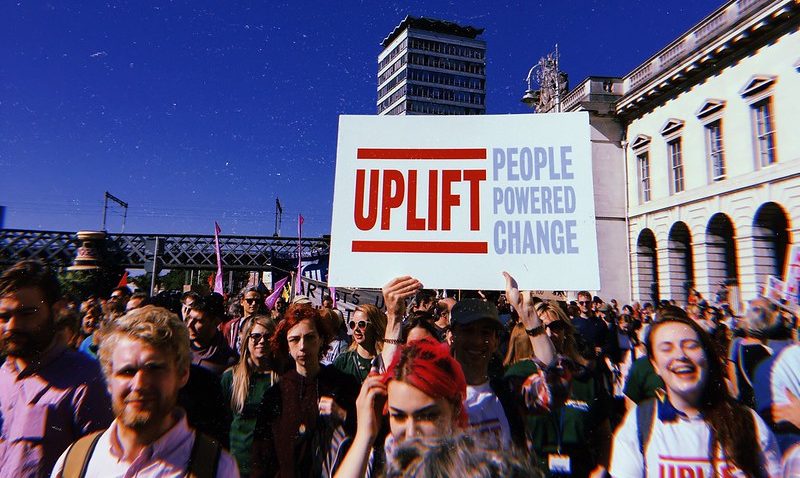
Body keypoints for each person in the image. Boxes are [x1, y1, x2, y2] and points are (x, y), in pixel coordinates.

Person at [51, 305, 239, 477]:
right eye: (127, 371)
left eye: (155, 369)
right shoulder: (75, 461)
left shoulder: (216, 468)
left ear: (182, 374)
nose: (139, 383)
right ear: (109, 380)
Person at [609, 312, 781, 478]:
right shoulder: (639, 423)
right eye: (666, 348)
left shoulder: (748, 421)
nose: (680, 355)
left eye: (690, 345)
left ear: (705, 355)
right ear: (655, 365)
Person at [0, 260, 113, 477]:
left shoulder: (88, 382)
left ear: (55, 311)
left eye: (27, 313)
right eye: (4, 317)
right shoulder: (3, 375)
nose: (12, 326)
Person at [505, 298, 612, 478]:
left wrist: (601, 469)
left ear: (565, 331)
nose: (549, 333)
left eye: (555, 326)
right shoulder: (519, 376)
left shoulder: (584, 377)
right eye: (542, 327)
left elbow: (604, 433)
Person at [333, 336, 469, 478]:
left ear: (455, 408)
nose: (411, 433)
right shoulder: (382, 461)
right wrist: (365, 436)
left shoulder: (475, 469)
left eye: (428, 416)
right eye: (399, 417)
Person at [251, 304, 359, 478]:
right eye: (295, 339)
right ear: (286, 344)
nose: (302, 346)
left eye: (310, 338)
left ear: (322, 339)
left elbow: (367, 435)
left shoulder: (344, 384)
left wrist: (343, 415)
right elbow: (262, 455)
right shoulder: (276, 394)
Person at [222, 314, 279, 478]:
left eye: (268, 337)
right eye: (256, 336)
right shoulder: (230, 378)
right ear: (247, 339)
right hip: (235, 466)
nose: (262, 341)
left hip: (267, 467)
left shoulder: (279, 380)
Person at [186, 292, 238, 375]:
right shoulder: (178, 350)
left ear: (215, 321)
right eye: (189, 318)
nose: (189, 325)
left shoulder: (227, 359)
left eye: (198, 321)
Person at [334, 304, 387, 383]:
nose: (356, 329)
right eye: (353, 324)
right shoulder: (343, 361)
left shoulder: (385, 362)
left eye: (361, 324)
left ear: (375, 326)